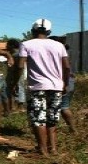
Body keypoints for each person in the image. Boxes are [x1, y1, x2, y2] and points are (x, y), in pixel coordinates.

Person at [12, 19, 70, 156]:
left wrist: (15, 83)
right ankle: (53, 149)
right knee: (52, 117)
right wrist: (65, 84)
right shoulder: (59, 45)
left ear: (33, 31)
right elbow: (67, 66)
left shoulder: (26, 44)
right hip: (56, 87)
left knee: (38, 118)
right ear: (49, 32)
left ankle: (43, 150)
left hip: (37, 87)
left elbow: (20, 66)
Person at [49, 36, 76, 133]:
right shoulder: (63, 53)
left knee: (62, 107)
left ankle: (71, 130)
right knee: (63, 107)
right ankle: (72, 130)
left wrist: (65, 84)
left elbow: (66, 69)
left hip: (63, 83)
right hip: (68, 82)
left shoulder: (58, 54)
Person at [6, 39, 26, 112]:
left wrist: (15, 79)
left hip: (17, 75)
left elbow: (19, 67)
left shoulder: (17, 55)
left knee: (19, 88)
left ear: (12, 46)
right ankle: (14, 106)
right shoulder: (13, 54)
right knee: (14, 89)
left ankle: (20, 107)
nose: (6, 46)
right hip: (13, 74)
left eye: (7, 45)